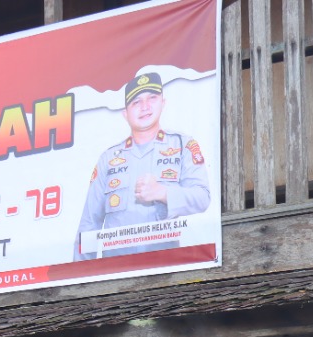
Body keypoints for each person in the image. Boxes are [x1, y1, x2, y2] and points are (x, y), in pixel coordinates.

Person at [73, 71, 211, 260]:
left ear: (163, 102)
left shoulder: (182, 145)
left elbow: (202, 197)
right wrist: (81, 277)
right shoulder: (108, 158)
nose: (145, 107)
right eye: (136, 102)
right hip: (115, 273)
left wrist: (163, 193)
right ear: (125, 113)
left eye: (152, 98)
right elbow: (89, 224)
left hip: (167, 269)